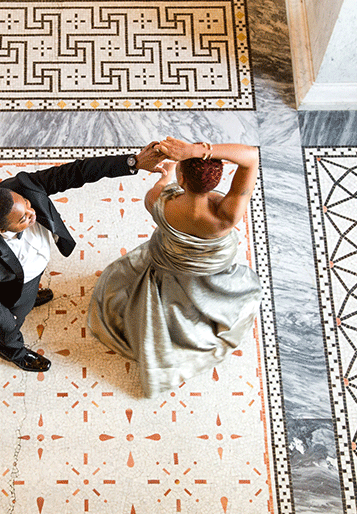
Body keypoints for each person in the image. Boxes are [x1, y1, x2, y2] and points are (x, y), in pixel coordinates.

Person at [0, 144, 165, 372]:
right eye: (23, 219)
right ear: (2, 230)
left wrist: (134, 162)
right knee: (10, 322)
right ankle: (10, 350)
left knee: (30, 293)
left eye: (29, 206)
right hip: (12, 291)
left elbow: (76, 171)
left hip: (30, 272)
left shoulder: (24, 185)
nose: (33, 215)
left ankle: (30, 296)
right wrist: (8, 321)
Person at [88, 137, 262, 396]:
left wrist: (166, 174)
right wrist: (197, 151)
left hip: (169, 265)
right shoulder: (228, 214)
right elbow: (251, 157)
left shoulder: (160, 203)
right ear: (217, 181)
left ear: (182, 180)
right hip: (209, 268)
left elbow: (156, 191)